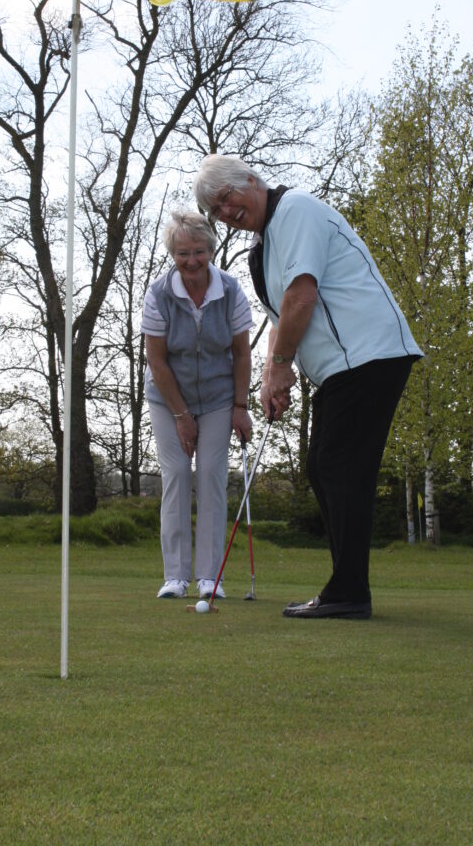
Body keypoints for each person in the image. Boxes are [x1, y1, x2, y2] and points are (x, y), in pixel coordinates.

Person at [194, 155, 422, 619]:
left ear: (250, 180)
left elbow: (303, 294)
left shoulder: (294, 209)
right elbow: (281, 315)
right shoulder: (265, 246)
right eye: (216, 212)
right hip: (345, 364)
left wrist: (281, 365)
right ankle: (347, 587)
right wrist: (270, 376)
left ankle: (349, 592)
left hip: (369, 352)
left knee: (337, 466)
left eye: (226, 199)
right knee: (325, 467)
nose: (226, 213)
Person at [142, 209, 253, 600]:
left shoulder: (231, 290)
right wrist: (181, 415)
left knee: (209, 473)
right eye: (183, 253)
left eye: (200, 252)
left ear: (211, 248)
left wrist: (241, 407)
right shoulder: (158, 294)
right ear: (173, 254)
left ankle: (211, 577)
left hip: (221, 396)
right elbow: (156, 360)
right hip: (168, 395)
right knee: (175, 474)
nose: (192, 261)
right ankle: (175, 577)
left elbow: (241, 354)